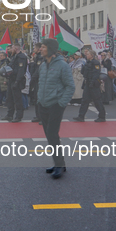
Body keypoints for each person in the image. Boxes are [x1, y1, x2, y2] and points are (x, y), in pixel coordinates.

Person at [37, 39, 75, 179]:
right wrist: (39, 100)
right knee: (50, 136)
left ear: (51, 49)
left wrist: (61, 103)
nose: (40, 49)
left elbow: (70, 86)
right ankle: (59, 163)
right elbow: (41, 84)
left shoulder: (62, 66)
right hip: (43, 105)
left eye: (43, 47)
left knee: (52, 135)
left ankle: (59, 165)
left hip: (55, 106)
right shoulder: (42, 65)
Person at [73, 49, 106, 122]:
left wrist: (92, 82)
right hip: (88, 83)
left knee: (97, 100)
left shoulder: (96, 63)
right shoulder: (87, 62)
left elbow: (96, 73)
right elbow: (84, 73)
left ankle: (102, 116)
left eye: (88, 54)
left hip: (93, 84)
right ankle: (81, 116)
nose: (86, 55)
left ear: (92, 55)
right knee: (85, 100)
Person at [2, 44, 28, 122]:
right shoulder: (14, 57)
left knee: (17, 99)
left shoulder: (21, 57)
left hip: (17, 80)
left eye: (12, 48)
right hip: (11, 79)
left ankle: (18, 116)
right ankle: (9, 115)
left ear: (16, 48)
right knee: (9, 98)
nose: (11, 49)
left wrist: (17, 82)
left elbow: (21, 70)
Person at [29, 43, 44, 122]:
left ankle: (41, 117)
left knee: (39, 99)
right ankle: (38, 116)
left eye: (35, 47)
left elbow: (38, 70)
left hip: (39, 80)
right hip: (35, 80)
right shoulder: (36, 57)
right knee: (36, 99)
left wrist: (33, 78)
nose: (34, 49)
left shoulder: (40, 58)